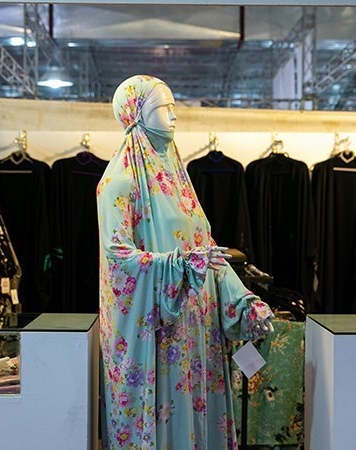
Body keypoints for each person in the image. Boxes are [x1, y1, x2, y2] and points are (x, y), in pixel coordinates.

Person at [97, 74, 274, 449]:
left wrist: (242, 298)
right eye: (165, 107)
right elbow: (118, 257)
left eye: (174, 106)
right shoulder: (118, 182)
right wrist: (178, 265)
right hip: (161, 331)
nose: (174, 115)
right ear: (137, 112)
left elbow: (206, 248)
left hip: (197, 328)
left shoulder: (177, 178)